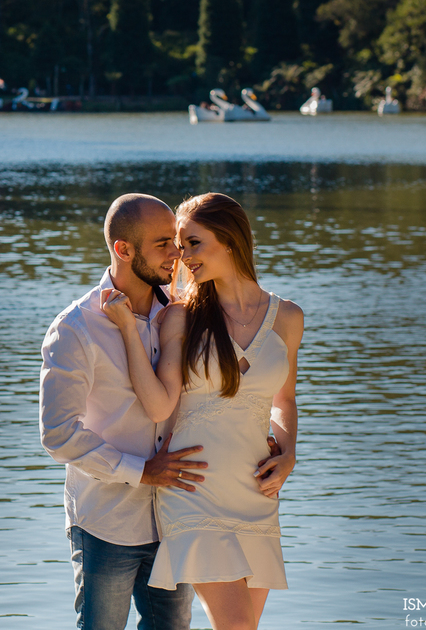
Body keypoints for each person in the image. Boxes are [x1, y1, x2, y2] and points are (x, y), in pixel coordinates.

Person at [100, 192, 303, 630]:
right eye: (178, 244)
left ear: (229, 240)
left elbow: (284, 401)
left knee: (244, 625)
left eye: (193, 243)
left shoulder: (287, 317)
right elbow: (158, 403)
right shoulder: (183, 317)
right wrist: (128, 334)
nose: (182, 256)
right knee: (237, 626)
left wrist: (287, 453)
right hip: (195, 490)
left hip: (255, 491)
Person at [40, 194, 208, 630]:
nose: (177, 253)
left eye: (176, 241)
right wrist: (141, 471)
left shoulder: (181, 312)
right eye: (162, 244)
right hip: (107, 522)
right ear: (123, 250)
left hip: (174, 516)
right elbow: (57, 433)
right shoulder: (75, 328)